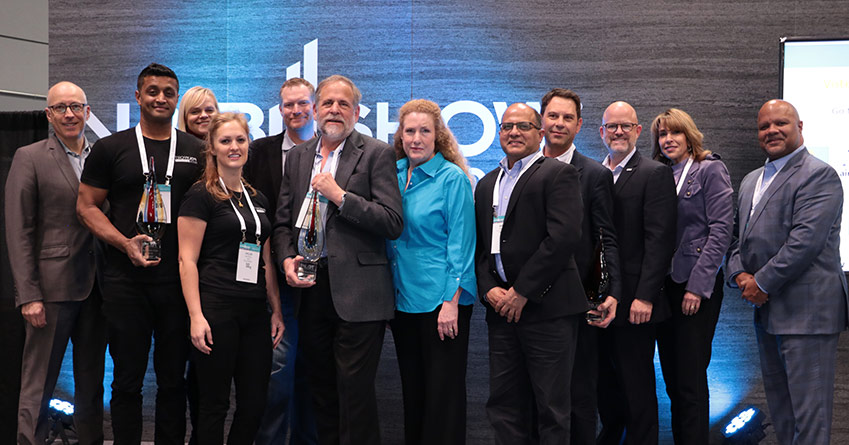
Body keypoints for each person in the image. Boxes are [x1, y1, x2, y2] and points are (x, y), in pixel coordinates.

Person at [77, 63, 204, 444]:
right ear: (137, 97)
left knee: (172, 382)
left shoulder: (197, 150)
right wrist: (124, 243)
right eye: (152, 91)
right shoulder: (110, 148)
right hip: (124, 284)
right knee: (127, 381)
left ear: (175, 97)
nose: (160, 98)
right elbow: (86, 206)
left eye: (168, 92)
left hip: (177, 285)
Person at [272, 74, 403, 445]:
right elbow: (282, 223)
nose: (334, 110)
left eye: (343, 104)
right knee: (321, 391)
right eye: (327, 103)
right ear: (314, 110)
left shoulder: (376, 153)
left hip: (361, 295)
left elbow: (392, 222)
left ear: (357, 112)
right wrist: (286, 261)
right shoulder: (298, 158)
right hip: (311, 288)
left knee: (355, 395)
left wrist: (341, 197)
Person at [726, 99, 848, 445]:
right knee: (782, 414)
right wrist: (739, 276)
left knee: (810, 420)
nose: (772, 131)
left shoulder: (819, 174)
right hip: (768, 313)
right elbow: (738, 240)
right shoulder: (752, 180)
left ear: (800, 127)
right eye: (764, 126)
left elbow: (805, 243)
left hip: (808, 314)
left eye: (781, 123)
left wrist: (760, 281)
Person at [474, 103, 586, 444]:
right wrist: (489, 289)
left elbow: (563, 238)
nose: (513, 132)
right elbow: (479, 248)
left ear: (540, 134)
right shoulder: (487, 183)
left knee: (551, 409)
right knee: (504, 407)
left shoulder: (557, 174)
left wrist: (521, 292)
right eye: (507, 126)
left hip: (546, 310)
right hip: (501, 312)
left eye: (523, 126)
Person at [5, 81, 107, 445]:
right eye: (61, 107)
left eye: (76, 107)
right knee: (38, 383)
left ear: (88, 112)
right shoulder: (29, 157)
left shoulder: (101, 157)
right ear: (49, 115)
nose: (69, 114)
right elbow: (19, 231)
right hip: (50, 290)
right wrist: (28, 295)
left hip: (98, 289)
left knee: (93, 385)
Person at [178, 112, 284, 444]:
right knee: (214, 405)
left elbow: (264, 256)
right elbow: (186, 259)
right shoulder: (200, 195)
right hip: (216, 308)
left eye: (240, 140)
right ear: (212, 148)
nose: (234, 147)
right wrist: (196, 316)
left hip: (254, 312)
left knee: (254, 404)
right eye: (225, 141)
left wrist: (276, 310)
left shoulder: (258, 199)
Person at [386, 99, 476, 445]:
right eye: (410, 131)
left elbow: (462, 244)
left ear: (438, 136)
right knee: (415, 396)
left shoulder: (452, 178)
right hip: (401, 302)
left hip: (441, 305)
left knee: (444, 399)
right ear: (401, 135)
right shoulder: (392, 175)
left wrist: (451, 302)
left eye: (425, 131)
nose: (416, 138)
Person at [540, 88, 621, 445]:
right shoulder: (519, 169)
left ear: (579, 125)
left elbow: (607, 238)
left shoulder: (593, 174)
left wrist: (612, 292)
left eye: (567, 118)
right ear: (541, 121)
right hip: (530, 301)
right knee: (537, 397)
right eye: (553, 116)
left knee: (580, 396)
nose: (559, 123)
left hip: (579, 301)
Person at [595, 101, 677, 445]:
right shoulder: (591, 173)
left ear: (638, 131)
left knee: (636, 387)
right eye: (612, 126)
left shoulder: (653, 173)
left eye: (626, 126)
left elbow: (660, 241)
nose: (618, 132)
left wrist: (645, 296)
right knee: (605, 386)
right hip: (596, 303)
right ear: (601, 132)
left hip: (635, 304)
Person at [651, 108, 733, 445]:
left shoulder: (710, 169)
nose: (668, 139)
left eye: (675, 133)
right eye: (662, 134)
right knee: (672, 380)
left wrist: (698, 288)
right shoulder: (660, 174)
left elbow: (721, 231)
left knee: (690, 380)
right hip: (665, 289)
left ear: (689, 136)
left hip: (694, 287)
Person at [246, 77, 318, 445]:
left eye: (302, 103)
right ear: (279, 110)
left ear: (315, 107)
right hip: (273, 277)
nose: (295, 111)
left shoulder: (335, 152)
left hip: (323, 282)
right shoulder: (259, 152)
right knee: (276, 376)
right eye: (288, 105)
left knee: (314, 374)